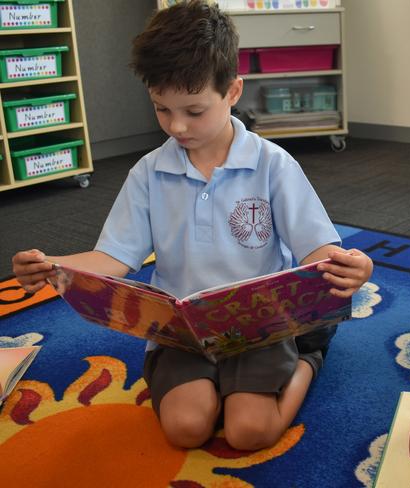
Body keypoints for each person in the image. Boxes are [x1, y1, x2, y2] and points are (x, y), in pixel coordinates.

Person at [12, 0, 373, 450]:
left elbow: (316, 250)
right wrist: (52, 265)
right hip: (181, 332)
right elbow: (113, 258)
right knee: (186, 429)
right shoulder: (148, 172)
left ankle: (308, 357)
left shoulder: (272, 164)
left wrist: (349, 265)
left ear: (233, 92)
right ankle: (232, 380)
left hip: (258, 329)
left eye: (194, 111)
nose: (177, 126)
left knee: (250, 432)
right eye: (162, 109)